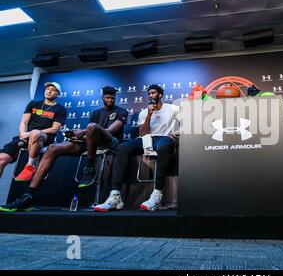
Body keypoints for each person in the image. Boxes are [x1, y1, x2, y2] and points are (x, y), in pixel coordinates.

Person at [0, 86, 128, 212]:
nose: (110, 100)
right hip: (91, 142)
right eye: (108, 97)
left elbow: (110, 131)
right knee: (53, 147)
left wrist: (83, 131)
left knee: (92, 126)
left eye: (113, 98)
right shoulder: (96, 113)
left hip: (110, 142)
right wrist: (76, 136)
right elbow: (90, 134)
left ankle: (89, 168)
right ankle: (29, 195)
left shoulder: (122, 111)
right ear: (102, 98)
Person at [94, 84, 179, 212]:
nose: (151, 95)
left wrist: (179, 132)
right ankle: (115, 195)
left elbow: (188, 118)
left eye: (154, 93)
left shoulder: (172, 108)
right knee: (123, 147)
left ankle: (157, 195)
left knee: (163, 146)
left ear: (160, 95)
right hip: (147, 138)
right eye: (149, 93)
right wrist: (150, 114)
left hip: (164, 137)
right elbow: (143, 133)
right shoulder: (145, 112)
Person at [0, 82, 66, 181]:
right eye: (48, 89)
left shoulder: (60, 109)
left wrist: (31, 133)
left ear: (58, 94)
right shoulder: (34, 103)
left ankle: (30, 166)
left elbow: (54, 129)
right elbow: (24, 122)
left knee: (36, 133)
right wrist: (22, 134)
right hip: (25, 136)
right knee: (1, 161)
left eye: (53, 90)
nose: (49, 91)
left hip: (44, 137)